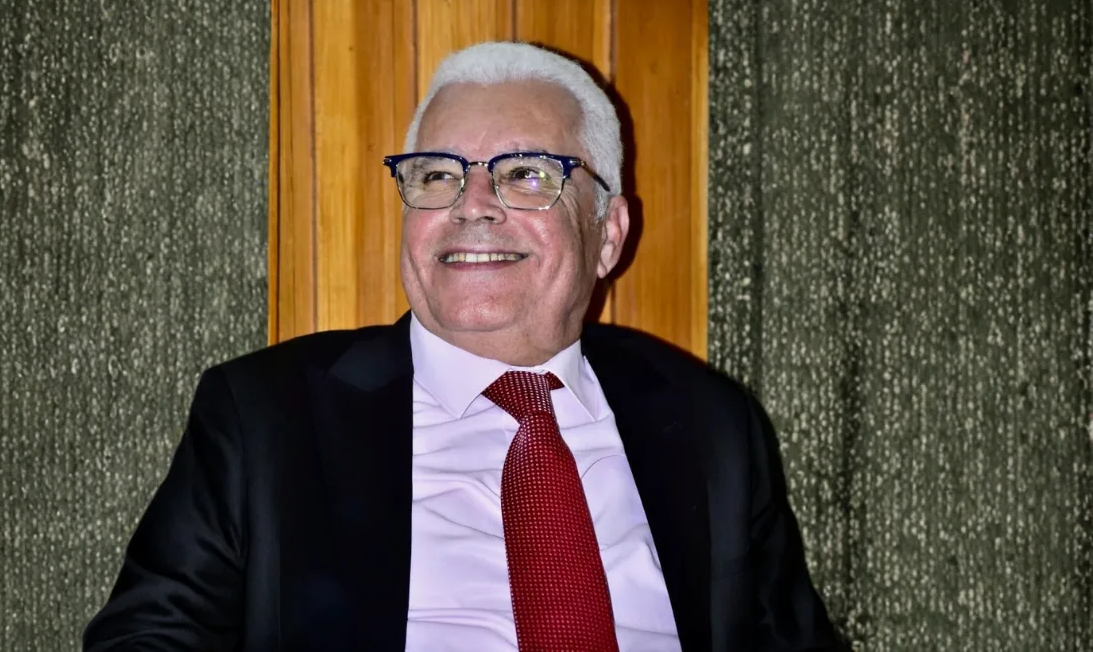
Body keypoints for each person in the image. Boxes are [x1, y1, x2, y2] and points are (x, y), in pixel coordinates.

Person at [84, 41, 842, 651]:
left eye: (526, 174)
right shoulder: (264, 415)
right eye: (437, 175)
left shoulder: (711, 424)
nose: (472, 205)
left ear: (609, 234)